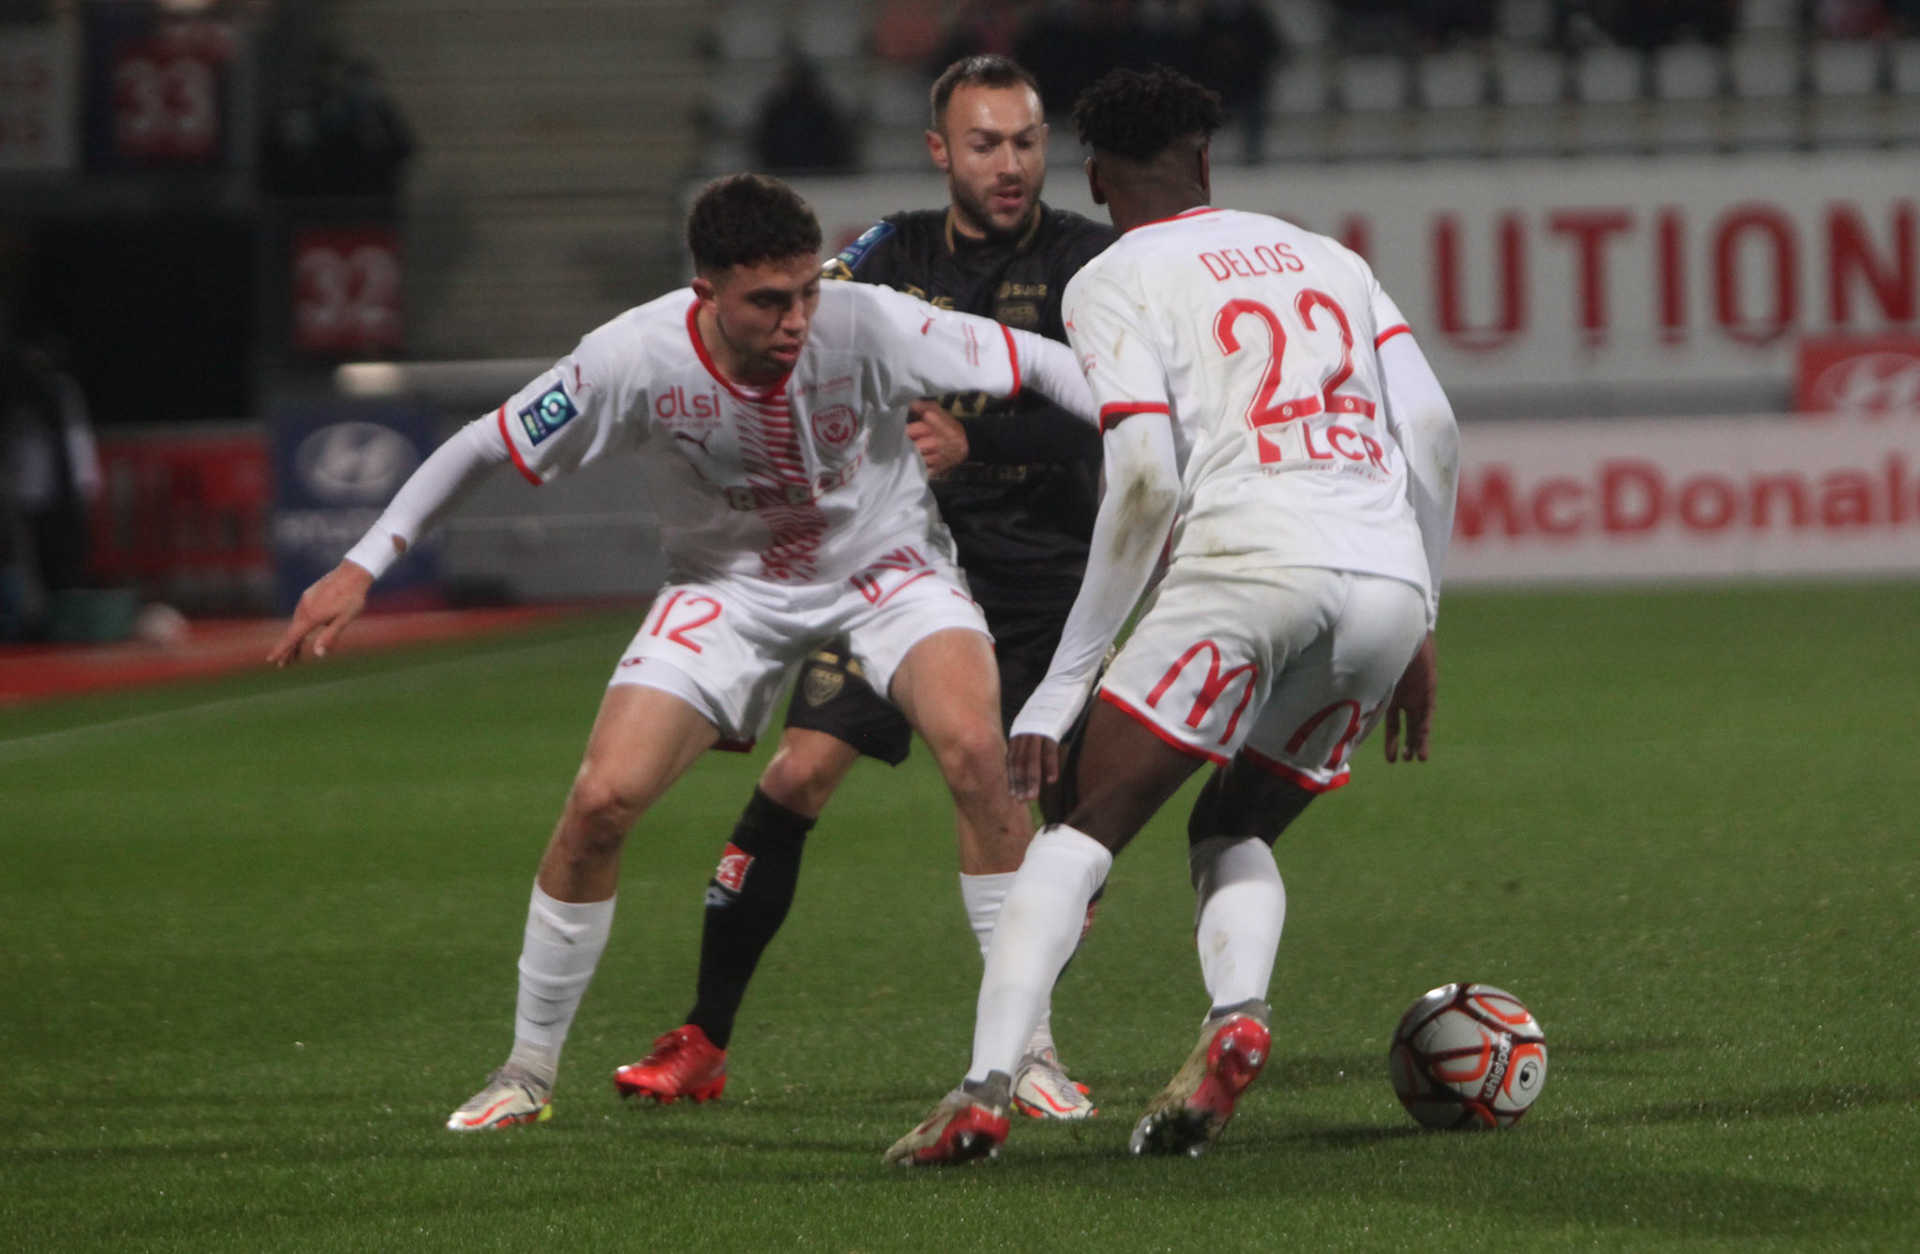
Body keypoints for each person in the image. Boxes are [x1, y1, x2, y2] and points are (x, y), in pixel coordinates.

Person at [268, 172, 1100, 1132]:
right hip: (728, 590)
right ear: (706, 291)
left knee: (978, 755)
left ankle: (1028, 1051)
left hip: (888, 568)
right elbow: (485, 445)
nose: (797, 319)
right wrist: (362, 564)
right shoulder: (631, 356)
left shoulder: (868, 321)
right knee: (599, 803)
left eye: (807, 291)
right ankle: (526, 1072)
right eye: (769, 300)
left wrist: (1154, 428)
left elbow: (1042, 361)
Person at [887, 67, 1460, 1165]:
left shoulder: (1109, 277)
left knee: (1076, 830)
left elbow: (1145, 477)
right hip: (1383, 579)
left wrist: (1063, 686)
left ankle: (984, 1089)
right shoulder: (1329, 256)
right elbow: (1431, 432)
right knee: (1233, 826)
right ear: (1204, 159)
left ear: (1095, 178)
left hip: (1246, 562)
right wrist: (1422, 610)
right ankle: (1236, 1015)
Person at [614, 54, 1117, 1122]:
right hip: (907, 575)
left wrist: (977, 443)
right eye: (984, 144)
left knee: (1046, 824)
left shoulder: (1088, 262)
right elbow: (789, 334)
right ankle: (703, 1037)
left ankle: (1028, 1048)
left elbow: (1117, 406)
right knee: (799, 772)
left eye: (1026, 141)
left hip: (1049, 583)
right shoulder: (888, 252)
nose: (1009, 164)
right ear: (941, 151)